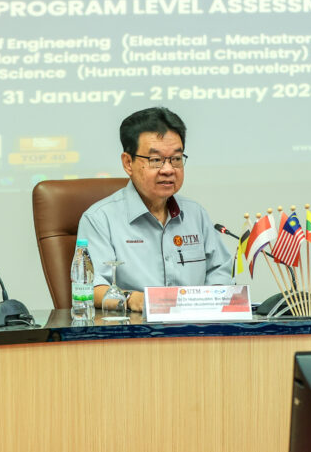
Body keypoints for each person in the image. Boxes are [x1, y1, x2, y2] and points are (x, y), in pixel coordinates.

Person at [78, 107, 233, 313]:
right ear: (128, 163)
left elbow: (219, 271)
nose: (168, 169)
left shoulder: (196, 214)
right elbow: (91, 288)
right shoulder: (99, 219)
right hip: (134, 334)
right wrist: (132, 300)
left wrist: (211, 303)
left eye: (176, 159)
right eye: (155, 160)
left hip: (194, 332)